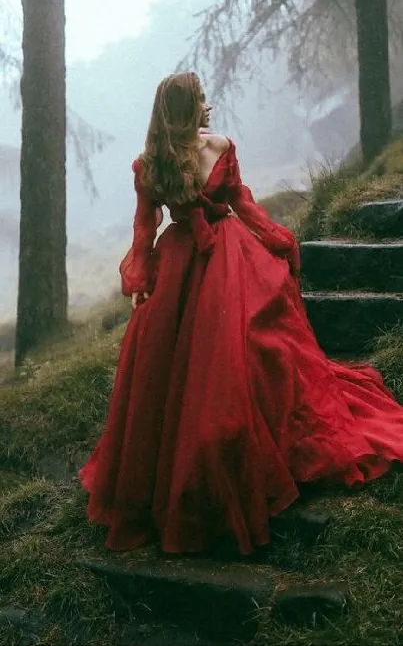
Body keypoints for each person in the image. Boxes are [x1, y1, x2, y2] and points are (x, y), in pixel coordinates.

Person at [80, 71, 403, 556]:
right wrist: (140, 282)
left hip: (227, 257)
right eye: (201, 100)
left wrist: (276, 238)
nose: (210, 107)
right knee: (177, 369)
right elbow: (143, 230)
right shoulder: (150, 163)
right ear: (184, 109)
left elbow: (239, 204)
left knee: (248, 345)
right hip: (184, 268)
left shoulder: (211, 147)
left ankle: (248, 438)